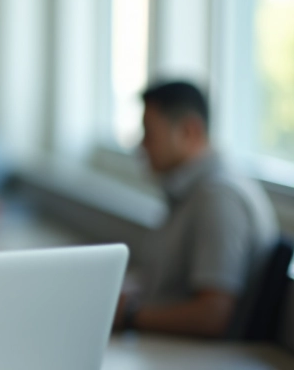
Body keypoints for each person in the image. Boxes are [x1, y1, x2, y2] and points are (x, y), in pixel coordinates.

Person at [114, 81, 279, 338]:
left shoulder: (219, 197)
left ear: (190, 131)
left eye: (149, 134)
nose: (142, 146)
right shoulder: (188, 191)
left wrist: (128, 315)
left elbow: (213, 316)